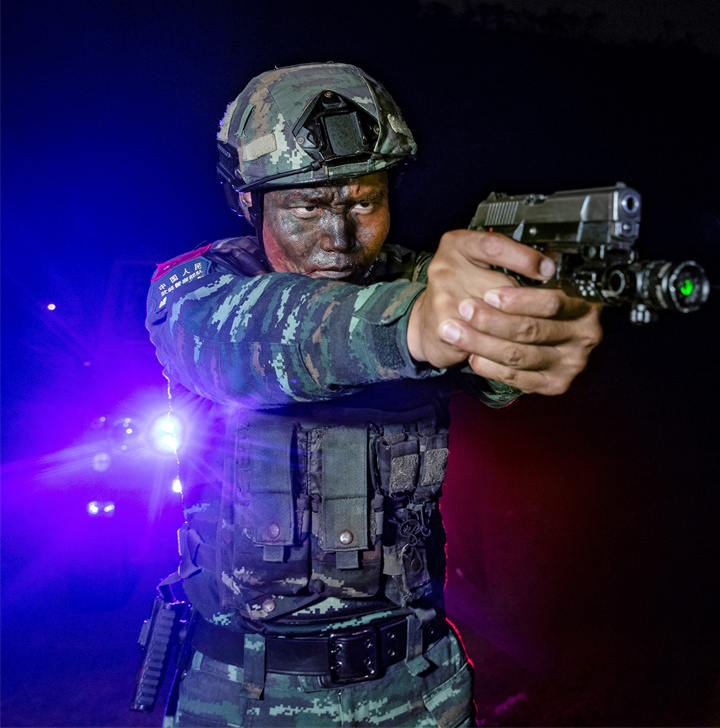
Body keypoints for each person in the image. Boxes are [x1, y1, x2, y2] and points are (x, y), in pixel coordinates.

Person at [144, 62, 603, 727]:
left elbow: (499, 374)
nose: (339, 237)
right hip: (247, 697)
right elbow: (267, 335)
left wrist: (532, 325)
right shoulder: (196, 293)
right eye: (308, 206)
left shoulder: (416, 279)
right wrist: (414, 327)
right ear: (250, 202)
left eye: (364, 202)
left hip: (416, 687)